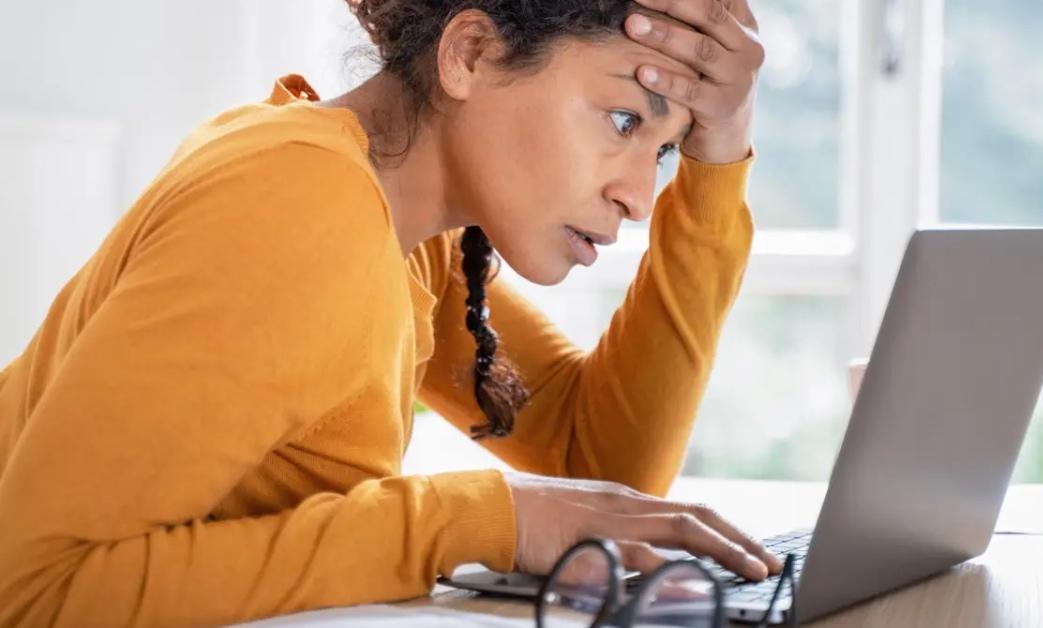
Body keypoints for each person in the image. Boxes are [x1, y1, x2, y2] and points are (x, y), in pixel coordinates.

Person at [0, 0, 776, 624]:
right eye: (622, 121)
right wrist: (470, 517)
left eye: (667, 151)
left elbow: (600, 472)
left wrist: (723, 153)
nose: (640, 198)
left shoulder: (410, 232)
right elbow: (30, 590)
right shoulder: (302, 206)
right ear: (469, 52)